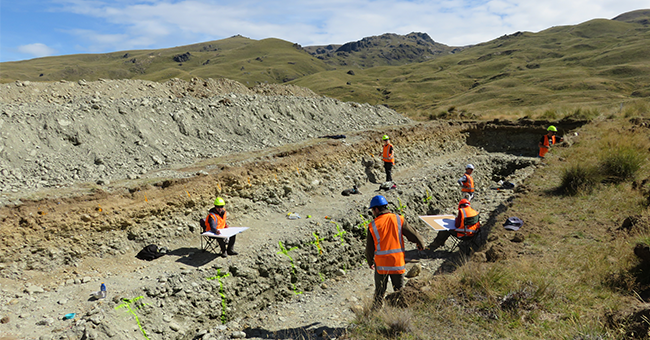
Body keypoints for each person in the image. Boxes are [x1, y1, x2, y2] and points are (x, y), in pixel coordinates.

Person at [365, 195, 425, 308]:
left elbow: (369, 248)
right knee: (399, 291)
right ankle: (401, 314)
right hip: (397, 263)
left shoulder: (373, 225)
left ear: (376, 209)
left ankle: (375, 316)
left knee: (379, 292)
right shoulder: (398, 219)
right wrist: (420, 243)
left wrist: (370, 261)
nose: (373, 212)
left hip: (382, 266)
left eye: (372, 210)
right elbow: (412, 233)